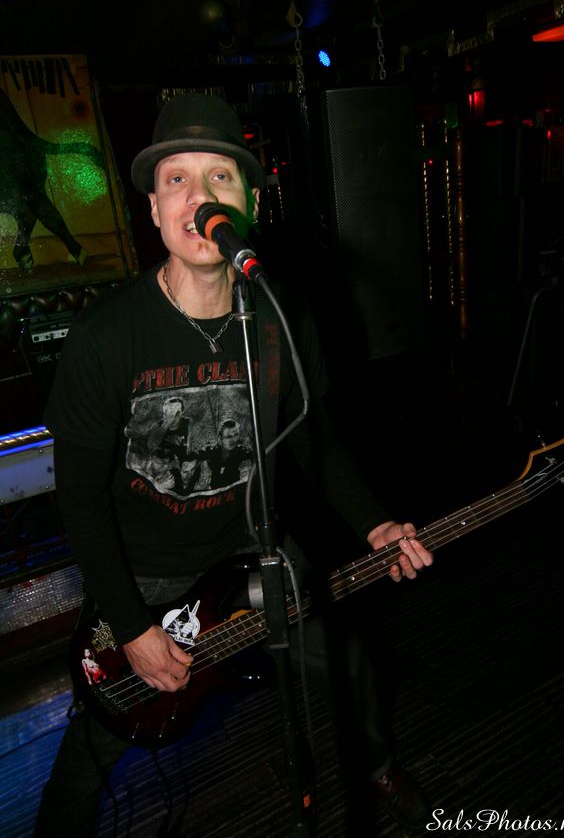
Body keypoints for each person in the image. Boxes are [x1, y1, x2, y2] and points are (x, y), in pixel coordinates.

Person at [34, 93, 434, 836]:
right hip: (148, 578)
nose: (199, 196)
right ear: (155, 210)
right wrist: (131, 625)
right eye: (177, 180)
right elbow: (80, 499)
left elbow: (314, 440)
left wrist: (374, 522)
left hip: (256, 551)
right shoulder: (105, 338)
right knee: (99, 740)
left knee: (348, 663)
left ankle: (377, 769)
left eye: (219, 177)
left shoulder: (281, 317)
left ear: (247, 202)